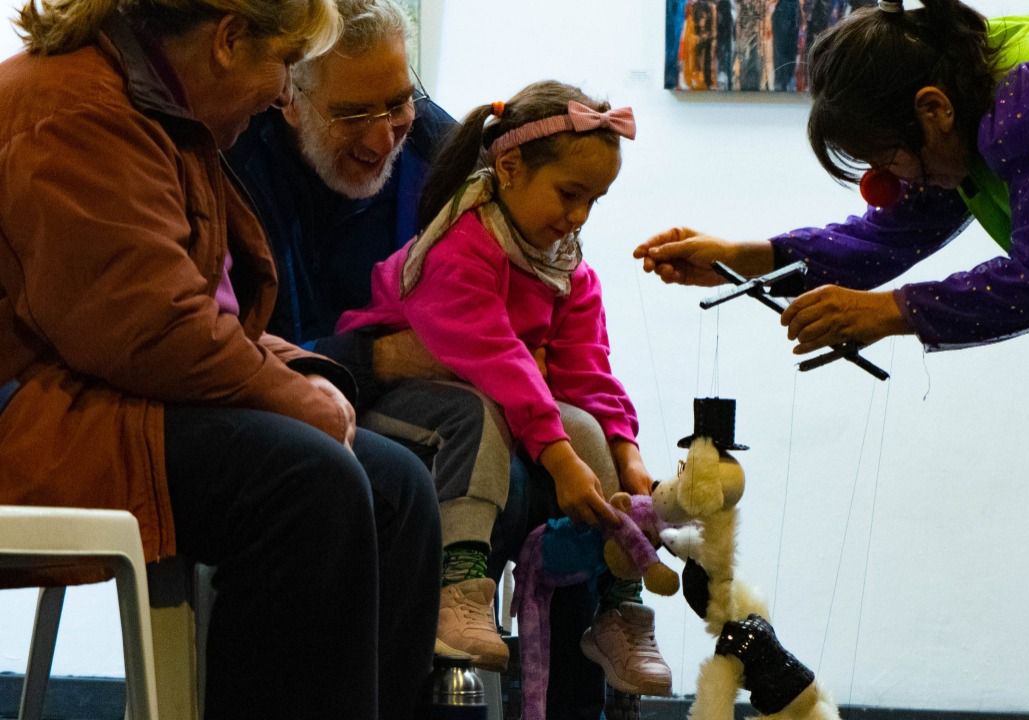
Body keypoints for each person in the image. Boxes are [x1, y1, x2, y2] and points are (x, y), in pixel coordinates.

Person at [635, 1, 1029, 719]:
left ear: (931, 110)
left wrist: (888, 312)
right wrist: (746, 255)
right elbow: (898, 230)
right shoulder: (966, 90)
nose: (890, 182)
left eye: (889, 161)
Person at [0, 1, 444, 719]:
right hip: (27, 419)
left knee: (397, 486)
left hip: (84, 393)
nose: (279, 95)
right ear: (230, 40)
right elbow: (147, 329)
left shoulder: (150, 108)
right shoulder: (78, 110)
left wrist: (304, 377)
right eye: (282, 66)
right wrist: (295, 396)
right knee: (308, 481)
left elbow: (185, 313)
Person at [222, 5, 627, 715]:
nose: (384, 136)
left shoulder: (446, 149)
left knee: (571, 456)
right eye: (353, 115)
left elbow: (539, 310)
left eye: (399, 102)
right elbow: (234, 345)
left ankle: (583, 676)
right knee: (438, 462)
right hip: (302, 394)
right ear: (288, 97)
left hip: (464, 399)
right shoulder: (239, 162)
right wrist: (377, 358)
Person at [336, 79, 675, 698]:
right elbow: (498, 360)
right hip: (397, 397)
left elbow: (587, 370)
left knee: (588, 429)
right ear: (510, 166)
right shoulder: (459, 248)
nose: (578, 217)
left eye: (594, 202)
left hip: (488, 393)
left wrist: (627, 456)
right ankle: (458, 588)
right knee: (480, 413)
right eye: (570, 194)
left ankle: (617, 603)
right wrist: (558, 458)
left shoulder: (566, 266)